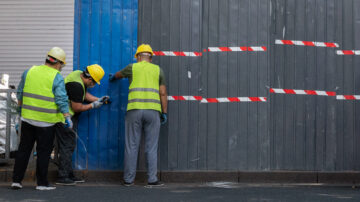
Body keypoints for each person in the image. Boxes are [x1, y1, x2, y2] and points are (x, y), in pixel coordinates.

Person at [12, 47, 72, 191]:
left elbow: (20, 94)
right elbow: (61, 99)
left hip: (27, 119)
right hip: (46, 122)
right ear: (59, 63)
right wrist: (67, 117)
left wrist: (19, 114)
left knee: (23, 150)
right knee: (43, 152)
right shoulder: (56, 77)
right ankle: (42, 184)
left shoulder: (29, 71)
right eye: (62, 65)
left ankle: (16, 181)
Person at [109, 44, 168, 187]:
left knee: (131, 145)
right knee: (151, 147)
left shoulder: (132, 68)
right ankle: (152, 179)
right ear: (151, 58)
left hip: (134, 111)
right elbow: (163, 93)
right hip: (153, 111)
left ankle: (129, 180)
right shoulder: (158, 70)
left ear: (138, 57)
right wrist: (164, 112)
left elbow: (118, 75)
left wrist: (113, 78)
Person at [55, 64, 109, 185]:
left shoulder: (78, 74)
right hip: (65, 119)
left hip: (65, 117)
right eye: (94, 82)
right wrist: (92, 105)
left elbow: (83, 95)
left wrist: (98, 99)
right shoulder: (76, 86)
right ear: (89, 79)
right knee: (67, 146)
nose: (93, 85)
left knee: (68, 146)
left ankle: (68, 174)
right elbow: (77, 107)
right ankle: (63, 177)